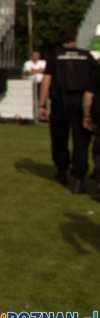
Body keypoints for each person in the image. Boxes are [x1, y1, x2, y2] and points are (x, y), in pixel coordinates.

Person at [40, 26, 97, 193]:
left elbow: (46, 81)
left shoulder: (55, 56)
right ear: (76, 39)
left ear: (60, 40)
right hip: (81, 103)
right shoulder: (87, 56)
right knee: (81, 141)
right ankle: (79, 178)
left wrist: (41, 104)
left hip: (60, 103)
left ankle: (62, 170)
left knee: (59, 138)